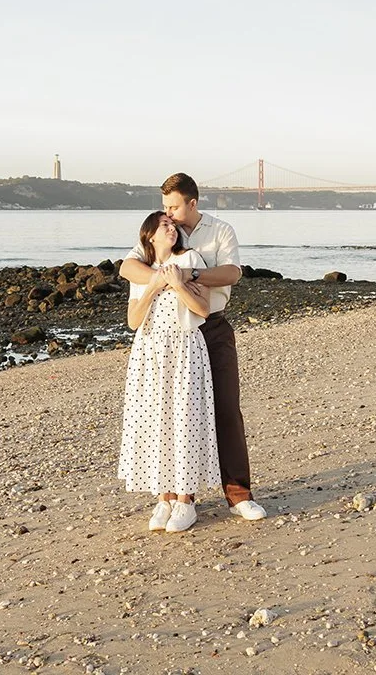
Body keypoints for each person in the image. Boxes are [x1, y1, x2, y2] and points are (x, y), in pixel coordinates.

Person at [119, 173, 267, 521]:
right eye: (164, 207)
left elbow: (232, 273)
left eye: (173, 207)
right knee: (175, 414)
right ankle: (180, 498)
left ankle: (239, 496)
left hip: (211, 327)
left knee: (226, 409)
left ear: (192, 203)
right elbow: (128, 267)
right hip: (168, 336)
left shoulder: (219, 230)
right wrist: (163, 279)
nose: (168, 213)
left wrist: (188, 275)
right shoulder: (161, 230)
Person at [118, 211, 219, 533]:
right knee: (155, 420)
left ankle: (186, 501)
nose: (171, 228)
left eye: (173, 225)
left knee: (185, 419)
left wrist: (177, 285)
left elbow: (203, 309)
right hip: (149, 351)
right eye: (164, 225)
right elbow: (133, 321)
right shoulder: (142, 269)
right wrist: (153, 285)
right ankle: (164, 498)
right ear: (149, 235)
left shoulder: (190, 259)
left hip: (185, 347)